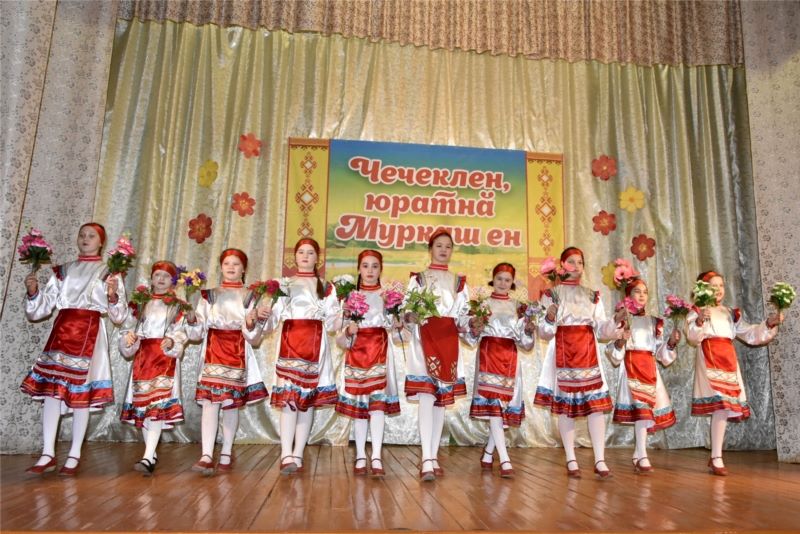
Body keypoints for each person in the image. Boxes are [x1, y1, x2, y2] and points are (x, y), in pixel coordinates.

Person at [21, 222, 127, 475]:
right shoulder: (63, 271)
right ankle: (47, 453)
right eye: (82, 235)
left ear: (101, 242)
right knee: (51, 392)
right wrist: (33, 292)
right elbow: (40, 310)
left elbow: (119, 316)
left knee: (81, 395)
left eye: (91, 236)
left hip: (90, 334)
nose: (85, 239)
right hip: (61, 333)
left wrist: (113, 296)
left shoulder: (109, 272)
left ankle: (74, 453)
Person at [534, 246, 624, 479]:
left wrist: (615, 320)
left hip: (588, 352)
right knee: (566, 407)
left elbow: (602, 330)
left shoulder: (592, 295)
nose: (576, 266)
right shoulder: (551, 295)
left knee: (595, 407)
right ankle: (571, 458)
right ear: (562, 265)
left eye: (580, 262)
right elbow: (544, 332)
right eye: (571, 262)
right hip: (563, 353)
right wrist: (550, 317)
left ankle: (600, 459)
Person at [685, 270, 783, 476]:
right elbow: (693, 337)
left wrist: (769, 324)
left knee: (723, 408)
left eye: (721, 285)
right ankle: (716, 457)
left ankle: (716, 456)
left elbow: (750, 334)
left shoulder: (730, 313)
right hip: (709, 358)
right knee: (720, 405)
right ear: (703, 289)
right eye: (713, 285)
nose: (719, 289)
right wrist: (700, 320)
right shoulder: (697, 311)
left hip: (728, 360)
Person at [186, 248, 269, 476]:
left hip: (237, 352)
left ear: (244, 269)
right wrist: (192, 320)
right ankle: (206, 454)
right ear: (221, 267)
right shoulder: (208, 296)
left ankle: (226, 451)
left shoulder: (250, 296)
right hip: (212, 352)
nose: (231, 267)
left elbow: (254, 337)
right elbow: (196, 332)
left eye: (236, 264)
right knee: (209, 403)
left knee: (230, 404)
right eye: (226, 263)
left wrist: (251, 323)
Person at [266, 238, 340, 475]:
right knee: (289, 400)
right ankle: (285, 453)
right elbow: (272, 320)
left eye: (310, 252)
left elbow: (333, 322)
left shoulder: (326, 287)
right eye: (301, 252)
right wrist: (263, 314)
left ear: (317, 258)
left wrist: (345, 313)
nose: (305, 256)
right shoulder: (283, 284)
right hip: (290, 344)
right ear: (295, 256)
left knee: (306, 403)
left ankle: (298, 453)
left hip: (316, 346)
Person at [403, 229, 469, 481]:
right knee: (426, 396)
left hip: (448, 340)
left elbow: (463, 317)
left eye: (448, 246)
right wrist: (410, 316)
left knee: (441, 400)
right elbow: (407, 310)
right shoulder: (418, 279)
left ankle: (433, 455)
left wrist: (473, 323)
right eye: (439, 245)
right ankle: (425, 457)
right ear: (430, 249)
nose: (443, 250)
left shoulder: (459, 282)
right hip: (424, 338)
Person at [334, 250, 401, 477]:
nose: (370, 271)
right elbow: (339, 333)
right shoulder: (350, 296)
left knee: (377, 407)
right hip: (357, 354)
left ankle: (377, 455)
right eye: (365, 266)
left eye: (375, 266)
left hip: (380, 352)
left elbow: (398, 332)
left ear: (381, 269)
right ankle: (361, 454)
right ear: (358, 269)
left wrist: (398, 320)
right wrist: (348, 330)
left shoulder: (388, 296)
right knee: (359, 408)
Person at [119, 261, 189, 476]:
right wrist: (128, 337)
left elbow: (181, 331)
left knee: (157, 406)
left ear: (173, 281)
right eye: (157, 275)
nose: (160, 279)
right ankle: (150, 453)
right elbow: (129, 327)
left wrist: (173, 341)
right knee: (144, 407)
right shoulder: (140, 302)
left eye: (166, 276)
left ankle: (148, 455)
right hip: (143, 358)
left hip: (163, 358)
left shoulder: (178, 306)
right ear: (151, 278)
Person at [466, 263, 535, 478]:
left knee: (501, 409)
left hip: (510, 358)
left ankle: (488, 453)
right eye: (499, 279)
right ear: (493, 279)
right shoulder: (482, 304)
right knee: (495, 407)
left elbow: (526, 343)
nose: (503, 283)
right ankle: (504, 459)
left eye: (507, 280)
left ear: (512, 282)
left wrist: (529, 331)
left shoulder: (519, 307)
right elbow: (470, 338)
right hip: (488, 355)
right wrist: (474, 327)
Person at [605, 278, 681, 474]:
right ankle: (642, 455)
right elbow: (613, 353)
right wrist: (621, 341)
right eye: (637, 291)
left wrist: (671, 343)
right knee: (642, 412)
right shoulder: (622, 320)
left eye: (645, 292)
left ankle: (638, 453)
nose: (641, 295)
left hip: (649, 369)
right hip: (631, 367)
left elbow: (661, 354)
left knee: (645, 412)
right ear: (628, 295)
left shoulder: (654, 322)